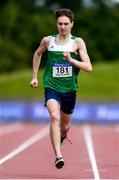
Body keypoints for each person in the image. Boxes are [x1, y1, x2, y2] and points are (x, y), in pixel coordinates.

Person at [30, 8, 92, 169]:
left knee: (64, 126)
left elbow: (88, 67)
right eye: (60, 23)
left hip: (70, 89)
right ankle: (58, 155)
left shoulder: (77, 42)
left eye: (66, 23)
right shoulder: (47, 41)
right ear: (56, 24)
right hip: (52, 86)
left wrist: (72, 60)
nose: (63, 26)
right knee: (54, 117)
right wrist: (35, 76)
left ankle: (63, 135)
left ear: (72, 24)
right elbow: (37, 54)